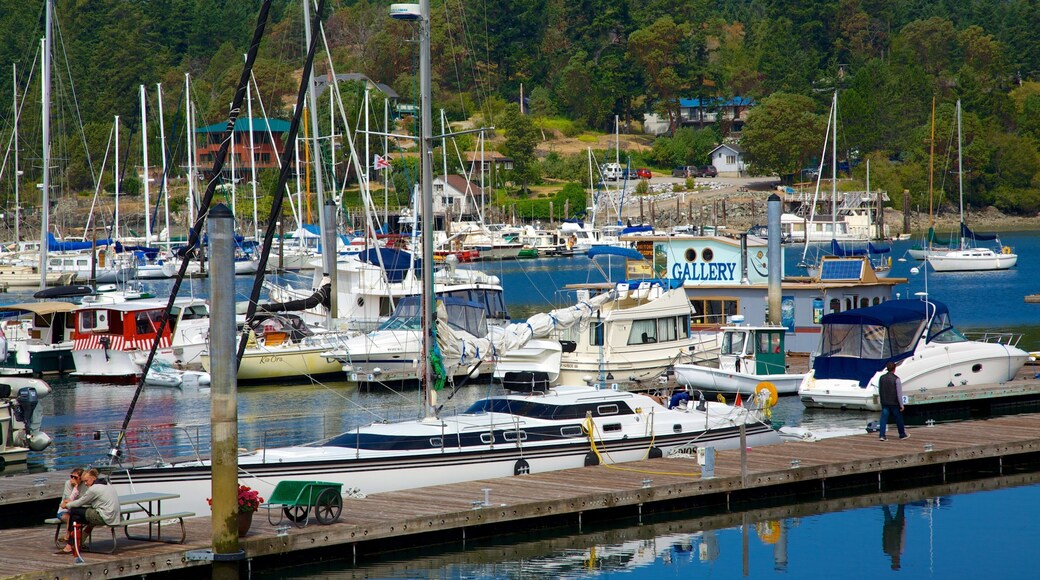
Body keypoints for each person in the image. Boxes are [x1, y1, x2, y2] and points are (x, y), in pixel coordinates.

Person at [57, 468, 120, 555]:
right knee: (76, 517)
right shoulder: (107, 484)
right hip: (114, 516)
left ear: (93, 478)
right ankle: (71, 545)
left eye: (86, 481)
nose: (85, 484)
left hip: (104, 516)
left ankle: (69, 540)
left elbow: (80, 502)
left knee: (74, 511)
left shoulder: (94, 489)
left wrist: (66, 505)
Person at [878, 362, 908, 441]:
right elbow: (899, 393)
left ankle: (882, 435)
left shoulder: (882, 378)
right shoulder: (896, 379)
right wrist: (901, 405)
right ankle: (902, 434)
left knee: (883, 419)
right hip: (894, 403)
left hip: (885, 402)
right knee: (898, 419)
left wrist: (881, 401)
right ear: (894, 369)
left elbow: (880, 390)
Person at [56, 468, 87, 541]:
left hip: (78, 509)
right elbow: (68, 501)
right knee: (71, 517)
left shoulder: (84, 485)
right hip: (64, 511)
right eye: (71, 476)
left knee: (82, 519)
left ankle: (78, 540)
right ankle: (68, 537)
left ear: (80, 478)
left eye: (75, 477)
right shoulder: (68, 484)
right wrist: (75, 488)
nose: (72, 479)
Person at [881, 504, 907, 570]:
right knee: (885, 509)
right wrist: (884, 528)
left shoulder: (900, 551)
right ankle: (883, 499)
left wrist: (904, 524)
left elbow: (902, 536)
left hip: (897, 527)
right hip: (888, 528)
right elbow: (883, 538)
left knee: (901, 506)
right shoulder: (886, 551)